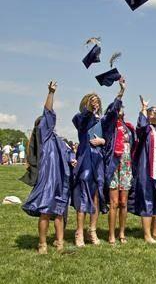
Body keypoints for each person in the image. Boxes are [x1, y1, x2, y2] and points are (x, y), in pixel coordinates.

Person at [20, 81, 76, 254]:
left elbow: (67, 153)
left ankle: (59, 243)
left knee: (59, 212)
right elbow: (49, 112)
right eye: (45, 122)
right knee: (45, 211)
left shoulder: (57, 139)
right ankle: (42, 244)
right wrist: (51, 93)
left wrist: (71, 160)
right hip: (47, 179)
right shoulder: (43, 137)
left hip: (60, 180)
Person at [72, 79, 125, 247]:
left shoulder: (102, 121)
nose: (96, 103)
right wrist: (89, 110)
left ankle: (92, 231)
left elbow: (112, 114)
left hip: (99, 160)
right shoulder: (82, 119)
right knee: (83, 195)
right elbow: (82, 120)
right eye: (92, 100)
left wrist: (121, 92)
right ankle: (79, 232)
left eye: (97, 101)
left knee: (96, 196)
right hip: (85, 158)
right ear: (86, 103)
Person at [129, 95, 156, 243]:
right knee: (148, 200)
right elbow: (140, 126)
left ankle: (155, 230)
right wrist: (144, 108)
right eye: (150, 112)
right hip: (147, 170)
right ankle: (147, 235)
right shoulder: (146, 130)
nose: (153, 113)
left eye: (155, 111)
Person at [103, 105, 136, 245]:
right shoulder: (110, 125)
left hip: (126, 166)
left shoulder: (128, 127)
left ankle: (121, 233)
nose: (121, 109)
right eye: (118, 108)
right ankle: (111, 235)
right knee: (114, 203)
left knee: (123, 203)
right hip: (114, 166)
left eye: (122, 108)